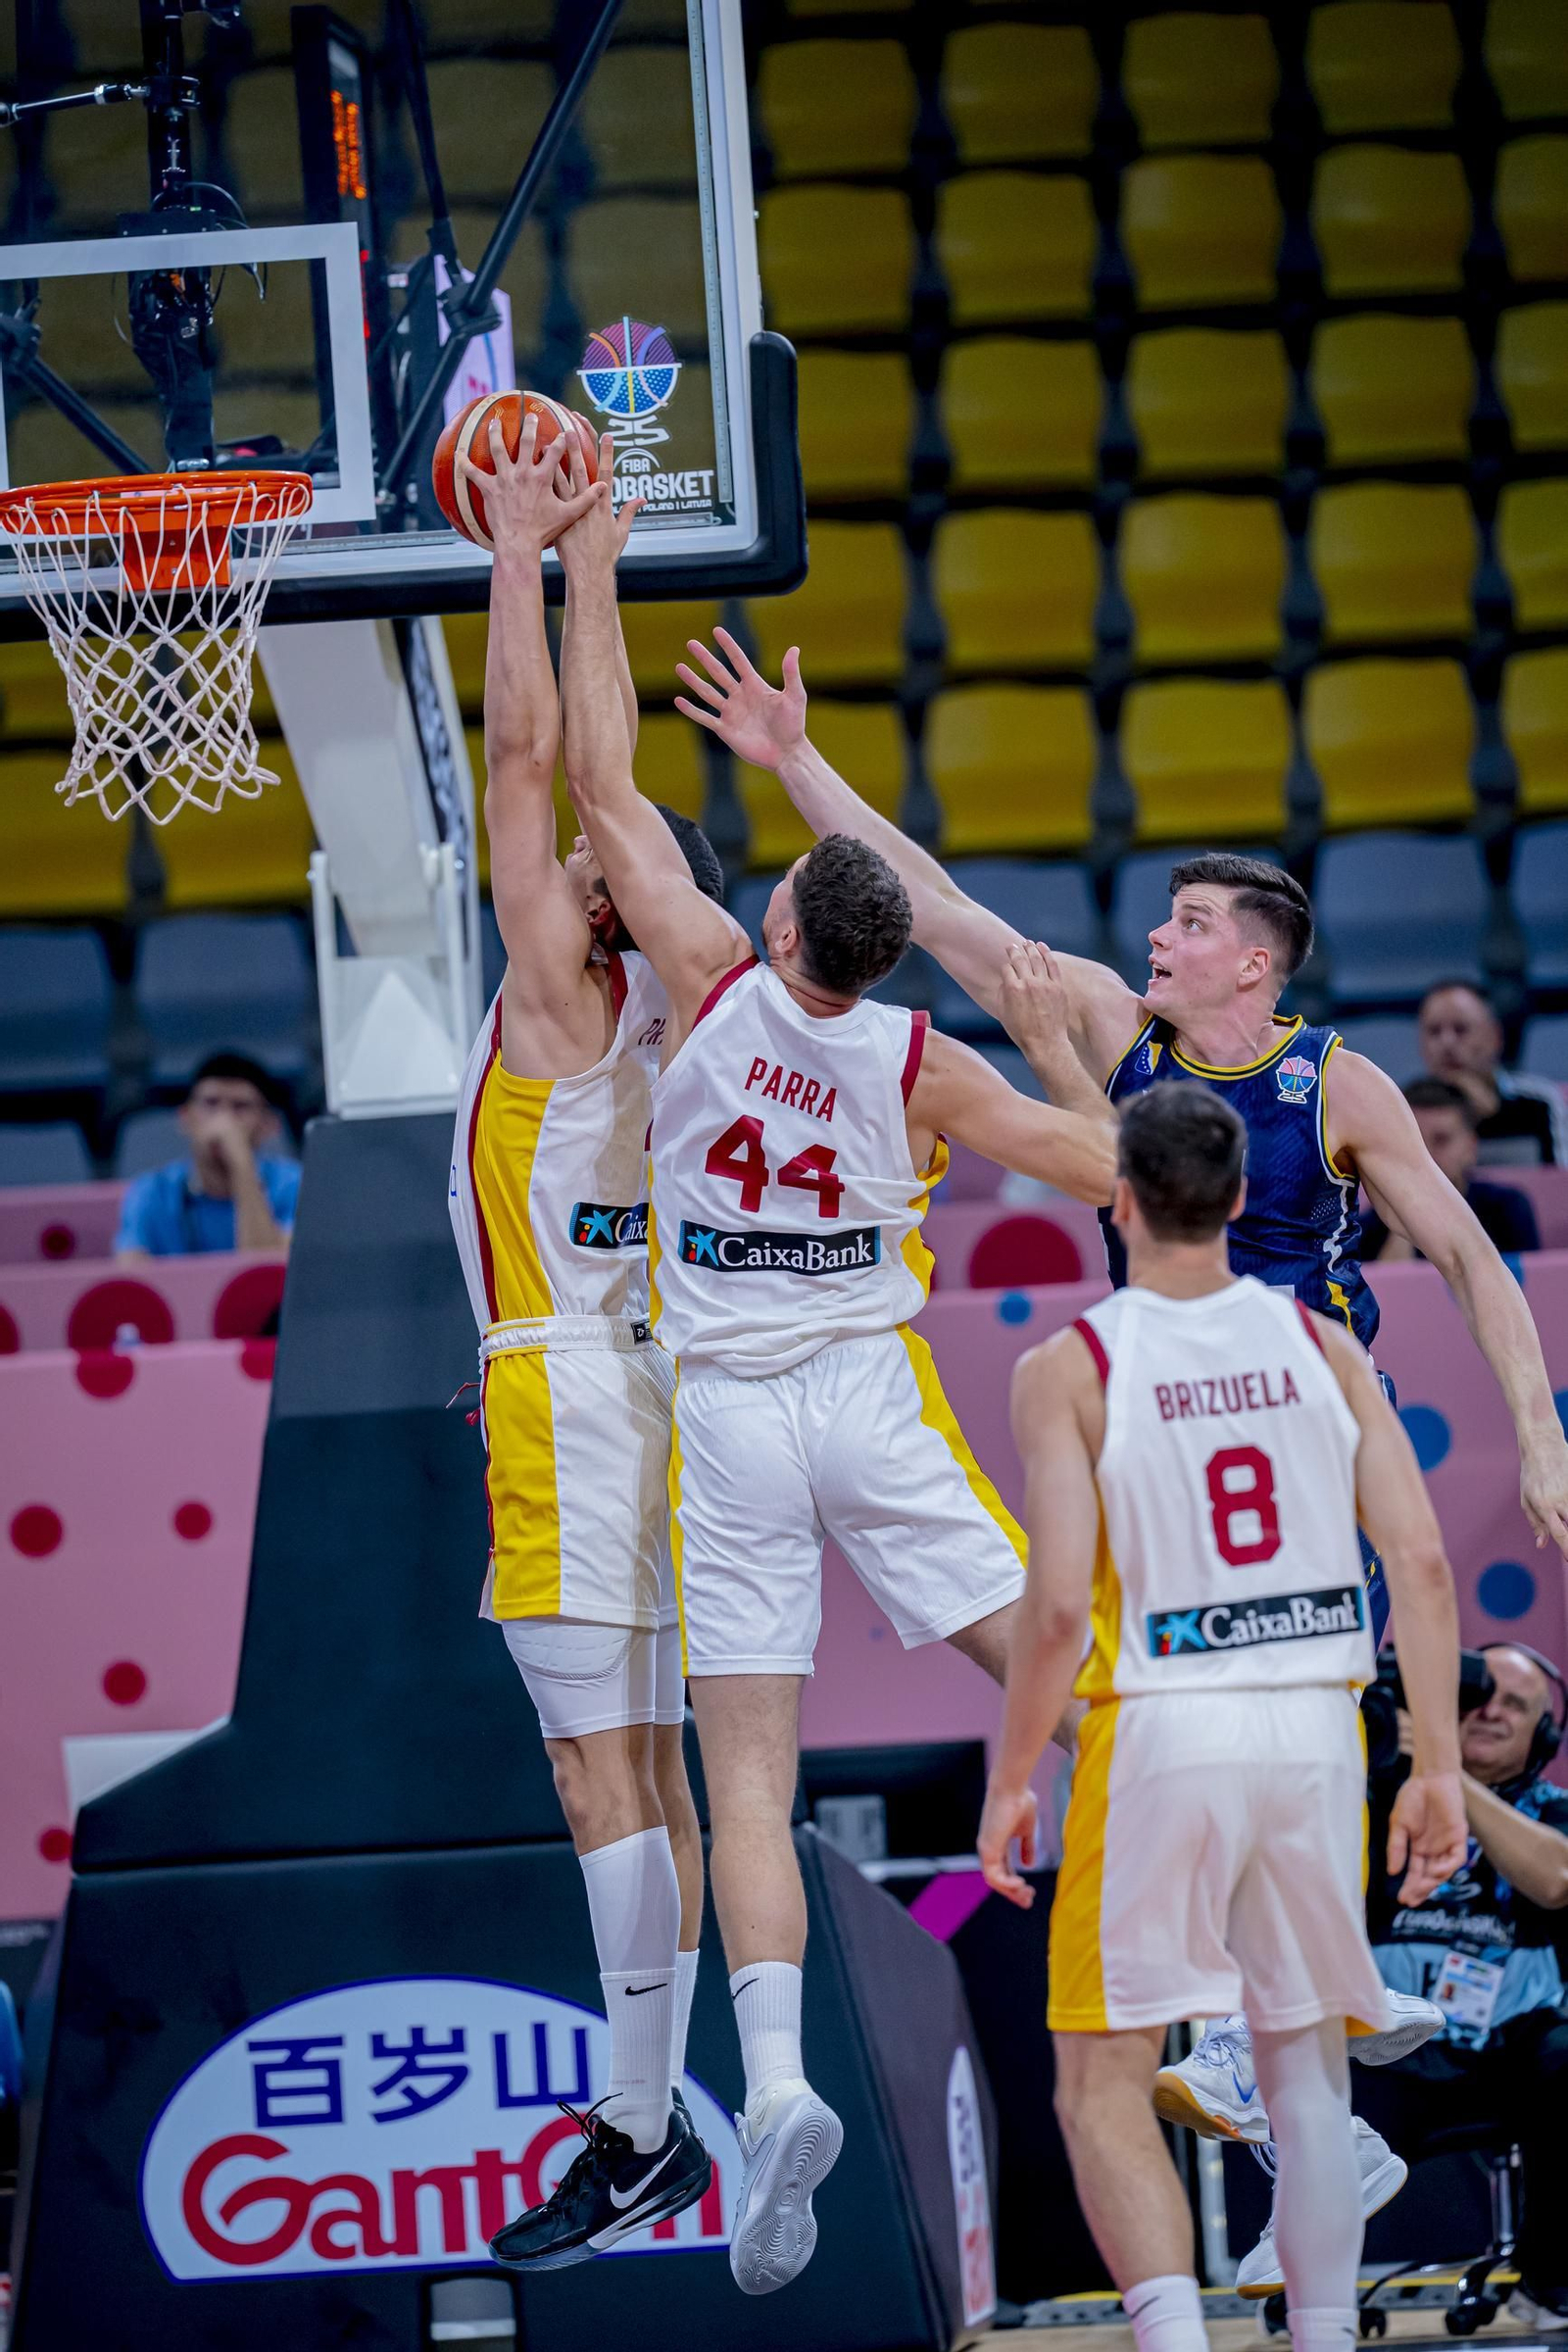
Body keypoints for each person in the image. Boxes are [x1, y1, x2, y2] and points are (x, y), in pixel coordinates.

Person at [553, 441, 1118, 2297]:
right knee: (1083, 1681)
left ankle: (777, 2080)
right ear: (876, 960)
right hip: (872, 1396)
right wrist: (1058, 1041)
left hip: (724, 1420)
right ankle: (1208, 1988)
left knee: (748, 1787)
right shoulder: (923, 1070)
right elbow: (1120, 1171)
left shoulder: (710, 974)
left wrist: (589, 565)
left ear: (784, 928)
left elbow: (601, 779)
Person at [674, 634, 1568, 1576]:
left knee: (1325, 1695)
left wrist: (1540, 1432)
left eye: (1191, 925)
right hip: (1168, 1413)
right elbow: (932, 906)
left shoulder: (1339, 1084)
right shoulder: (1114, 1021)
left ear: (1254, 966)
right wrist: (795, 759)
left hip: (1316, 1414)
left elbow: (1469, 1257)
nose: (1157, 935)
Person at [977, 1084, 1467, 2352]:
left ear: (1119, 1201)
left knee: (1100, 2079)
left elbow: (1046, 1619)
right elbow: (1416, 1564)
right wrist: (1439, 1774)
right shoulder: (1326, 1344)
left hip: (1162, 1728)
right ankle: (1318, 2336)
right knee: (1303, 2066)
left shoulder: (1069, 1366)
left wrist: (1015, 1773)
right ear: (1244, 1199)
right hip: (1314, 1725)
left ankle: (1177, 2341)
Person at [445, 414, 713, 2267]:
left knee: (593, 1780)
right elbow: (606, 775)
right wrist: (604, 554)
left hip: (567, 1391)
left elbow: (532, 754)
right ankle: (659, 2119)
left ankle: (635, 2128)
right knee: (667, 1780)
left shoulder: (559, 994)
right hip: (676, 1396)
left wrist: (519, 552)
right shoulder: (708, 1005)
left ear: (605, 896)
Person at [1228, 1642, 1568, 2326]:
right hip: (1385, 2048)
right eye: (1479, 1695)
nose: (1491, 1711)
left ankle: (1552, 2281)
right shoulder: (1376, 1790)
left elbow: (1556, 1879)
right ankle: (1307, 2288)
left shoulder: (1549, 1808)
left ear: (1544, 1736)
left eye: (1516, 1705)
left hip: (1511, 2052)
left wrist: (1443, 1775)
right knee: (1295, 2070)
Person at [115, 1052, 298, 1259]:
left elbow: (267, 1276)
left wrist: (242, 1165)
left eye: (240, 1107)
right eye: (211, 1103)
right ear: (185, 1118)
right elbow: (133, 1281)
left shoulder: (294, 1186)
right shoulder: (151, 1192)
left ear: (268, 1125)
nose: (224, 1120)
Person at [1361, 1080, 1540, 1262]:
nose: (1426, 1156)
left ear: (1470, 1148)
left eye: (1441, 1140)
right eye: (1413, 1141)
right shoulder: (1370, 1225)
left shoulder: (1507, 1209)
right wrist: (1400, 1222)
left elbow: (1532, 1284)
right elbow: (1389, 1287)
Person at [1418, 980, 1566, 1167]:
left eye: (1461, 1029)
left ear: (1495, 1037)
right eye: (1434, 1031)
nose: (1447, 1043)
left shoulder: (1539, 1102)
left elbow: (1561, 1184)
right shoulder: (1406, 1109)